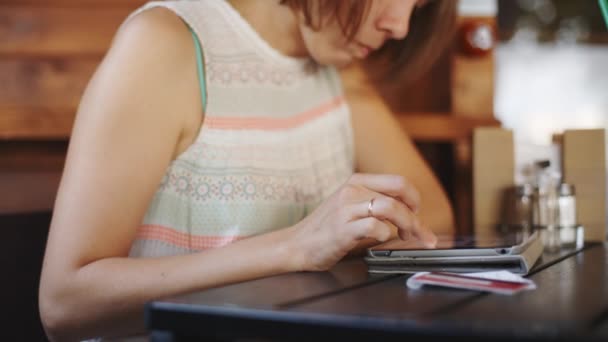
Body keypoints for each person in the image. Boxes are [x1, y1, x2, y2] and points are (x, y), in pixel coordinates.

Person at [39, 0, 456, 340]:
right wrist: (294, 248)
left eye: (416, 5)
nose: (399, 26)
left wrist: (337, 241)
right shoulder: (166, 43)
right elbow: (65, 304)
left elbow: (433, 216)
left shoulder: (335, 68)